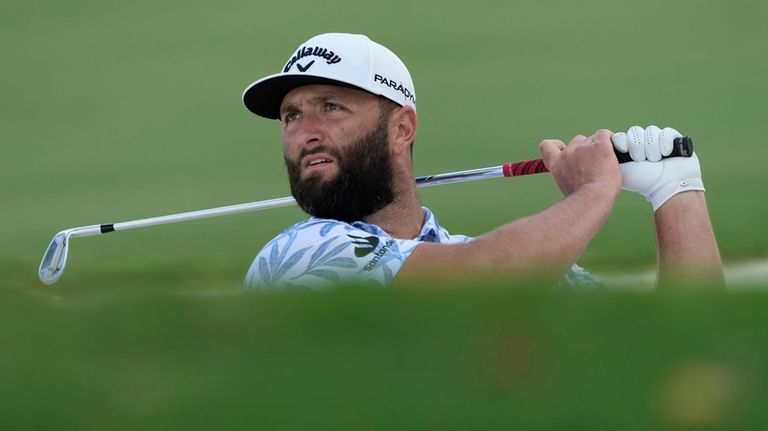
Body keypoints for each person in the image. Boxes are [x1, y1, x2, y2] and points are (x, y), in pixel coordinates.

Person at [241, 33, 723, 289]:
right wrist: (595, 190)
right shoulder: (299, 255)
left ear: (402, 129)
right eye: (290, 117)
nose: (304, 134)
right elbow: (482, 279)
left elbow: (679, 352)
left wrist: (676, 190)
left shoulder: (504, 261)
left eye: (330, 107)